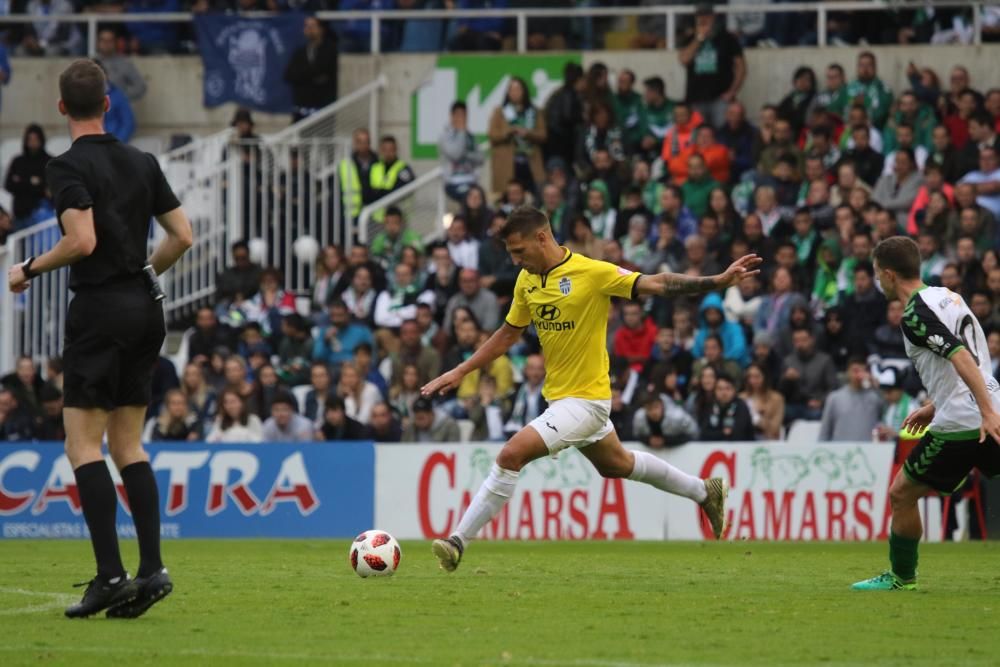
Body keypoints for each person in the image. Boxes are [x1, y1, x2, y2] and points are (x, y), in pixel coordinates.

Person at [421, 206, 762, 571]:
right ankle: (704, 491)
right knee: (617, 465)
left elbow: (657, 283)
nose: (516, 261)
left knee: (510, 455)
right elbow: (508, 333)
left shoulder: (592, 272)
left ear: (542, 237)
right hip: (559, 397)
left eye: (520, 252)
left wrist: (716, 281)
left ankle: (457, 541)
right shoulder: (527, 282)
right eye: (511, 254)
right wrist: (460, 370)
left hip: (586, 402)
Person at [6, 60, 193, 618]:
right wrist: (148, 272)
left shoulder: (66, 166)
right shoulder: (142, 161)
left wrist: (30, 267)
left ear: (62, 108)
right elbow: (182, 235)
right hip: (144, 309)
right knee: (129, 444)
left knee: (83, 446)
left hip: (99, 310)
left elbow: (81, 240)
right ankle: (152, 568)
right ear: (108, 104)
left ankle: (110, 574)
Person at [853, 237, 1000, 591]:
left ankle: (902, 577)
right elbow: (973, 362)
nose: (877, 282)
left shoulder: (915, 314)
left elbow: (962, 357)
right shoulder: (948, 296)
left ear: (889, 274)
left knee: (902, 494)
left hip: (968, 417)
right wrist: (935, 405)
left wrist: (982, 413)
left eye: (876, 275)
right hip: (989, 403)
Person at [678, 2, 746, 129]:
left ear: (714, 17)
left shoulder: (728, 38)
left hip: (720, 98)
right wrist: (699, 39)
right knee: (698, 135)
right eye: (699, 16)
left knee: (721, 133)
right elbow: (684, 60)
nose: (703, 18)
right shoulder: (690, 38)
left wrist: (732, 92)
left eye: (707, 15)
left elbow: (741, 67)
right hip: (696, 98)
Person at [489, 77, 547, 196]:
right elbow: (492, 135)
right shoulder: (500, 112)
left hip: (530, 161)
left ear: (524, 91)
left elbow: (543, 135)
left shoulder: (534, 111)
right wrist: (508, 132)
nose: (515, 92)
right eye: (512, 89)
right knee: (508, 197)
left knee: (534, 197)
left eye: (518, 89)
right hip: (508, 163)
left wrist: (528, 133)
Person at [283, 16, 338, 122]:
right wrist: (311, 76)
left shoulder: (329, 50)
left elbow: (323, 71)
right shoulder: (299, 52)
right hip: (301, 108)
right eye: (307, 26)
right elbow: (288, 75)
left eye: (312, 26)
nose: (309, 29)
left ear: (321, 29)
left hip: (321, 107)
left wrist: (302, 75)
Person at [818, 357, 883, 442]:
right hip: (840, 452)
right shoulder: (834, 398)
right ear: (847, 372)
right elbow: (825, 431)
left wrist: (874, 385)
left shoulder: (874, 398)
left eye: (863, 371)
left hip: (867, 451)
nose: (859, 375)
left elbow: (887, 412)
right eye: (855, 371)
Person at [5, 124, 52, 228]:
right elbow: (9, 185)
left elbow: (49, 189)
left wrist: (22, 181)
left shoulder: (49, 162)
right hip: (19, 215)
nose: (33, 142)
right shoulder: (18, 161)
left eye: (35, 139)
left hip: (40, 216)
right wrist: (32, 182)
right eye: (30, 139)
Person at [439, 100, 484, 203]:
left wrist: (467, 155)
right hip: (453, 182)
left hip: (471, 180)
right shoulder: (445, 136)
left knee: (480, 197)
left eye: (464, 115)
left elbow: (480, 158)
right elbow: (456, 154)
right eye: (458, 115)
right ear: (452, 116)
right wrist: (461, 132)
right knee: (469, 197)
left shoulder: (471, 136)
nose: (461, 118)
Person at [698, 374, 755, 442]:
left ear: (734, 390)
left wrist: (717, 433)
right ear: (715, 391)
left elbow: (738, 434)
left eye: (728, 388)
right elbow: (704, 434)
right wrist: (722, 433)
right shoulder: (710, 406)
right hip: (714, 448)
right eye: (720, 389)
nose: (724, 393)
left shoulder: (741, 405)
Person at [95, 28, 147, 101]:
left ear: (115, 43)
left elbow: (140, 86)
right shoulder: (91, 64)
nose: (106, 43)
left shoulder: (124, 63)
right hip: (96, 107)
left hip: (119, 108)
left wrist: (120, 96)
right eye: (103, 40)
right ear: (97, 43)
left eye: (110, 40)